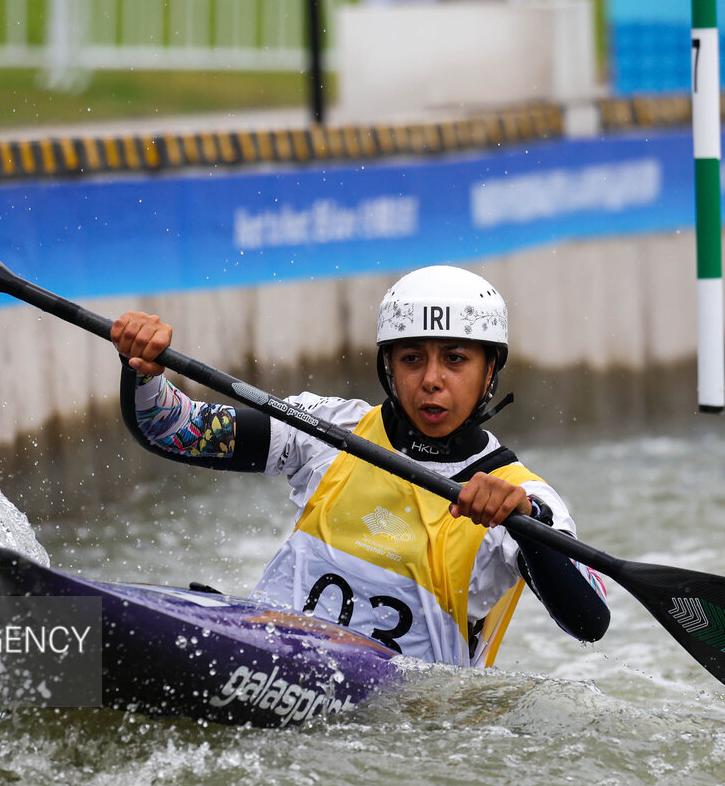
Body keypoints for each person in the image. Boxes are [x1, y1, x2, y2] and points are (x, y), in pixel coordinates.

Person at [111, 265, 609, 666]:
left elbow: (590, 622)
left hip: (401, 725)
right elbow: (171, 429)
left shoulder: (526, 498)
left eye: (455, 359)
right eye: (412, 359)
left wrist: (528, 528)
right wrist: (142, 372)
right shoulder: (326, 430)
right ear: (388, 366)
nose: (432, 380)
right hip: (266, 651)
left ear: (490, 371)